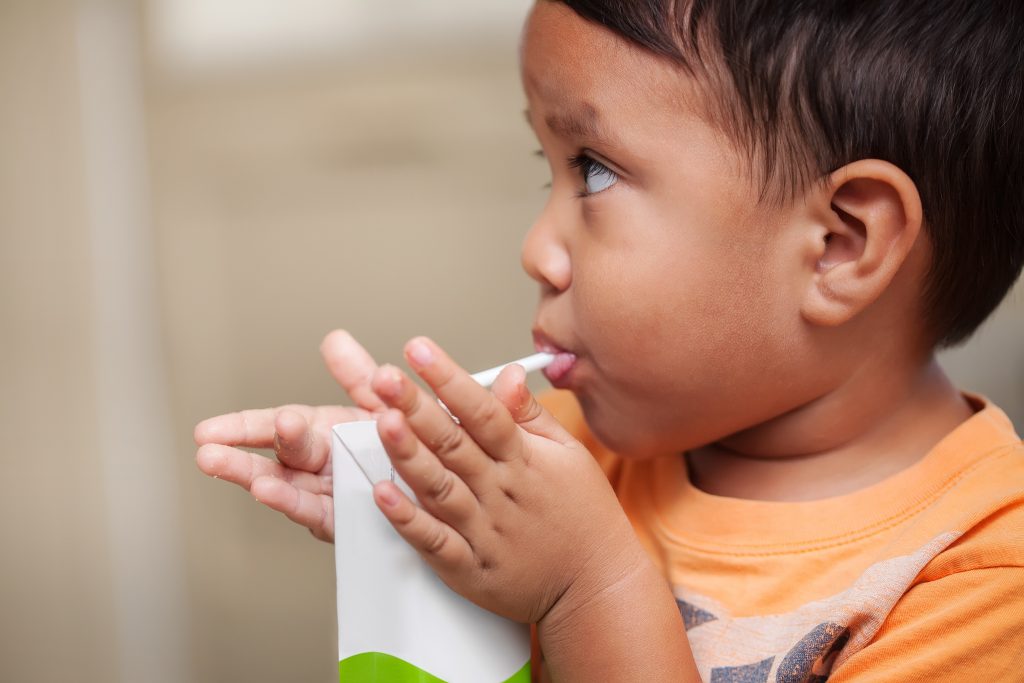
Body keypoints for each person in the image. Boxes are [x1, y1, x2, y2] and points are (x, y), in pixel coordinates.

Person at [194, 1, 1024, 680]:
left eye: (593, 169)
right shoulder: (574, 454)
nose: (535, 249)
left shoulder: (984, 581)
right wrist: (420, 499)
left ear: (841, 245)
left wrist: (588, 586)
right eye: (545, 163)